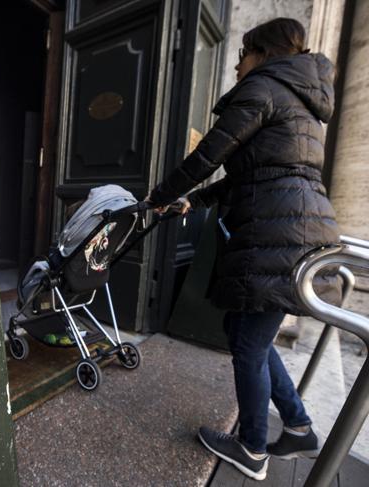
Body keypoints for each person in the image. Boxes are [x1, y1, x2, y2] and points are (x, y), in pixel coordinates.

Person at [147, 18, 342, 481]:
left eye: (242, 54)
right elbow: (252, 175)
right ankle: (297, 426)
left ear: (262, 53)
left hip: (277, 233)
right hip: (293, 227)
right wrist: (193, 200)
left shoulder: (264, 88)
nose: (237, 66)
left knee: (249, 344)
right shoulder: (300, 100)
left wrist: (158, 197)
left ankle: (253, 448)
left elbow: (208, 155)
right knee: (245, 332)